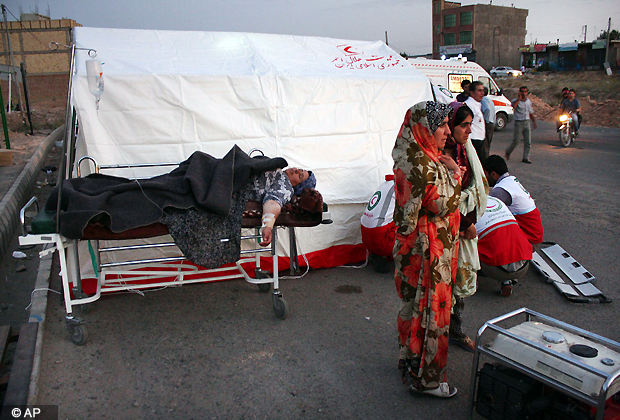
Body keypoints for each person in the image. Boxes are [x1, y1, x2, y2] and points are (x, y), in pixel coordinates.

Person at [393, 101, 462, 398]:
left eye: (448, 124)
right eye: (442, 125)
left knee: (413, 307)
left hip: (415, 247)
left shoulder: (412, 152)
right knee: (432, 313)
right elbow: (443, 203)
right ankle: (427, 379)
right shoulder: (423, 164)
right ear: (425, 128)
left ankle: (409, 361)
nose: (447, 131)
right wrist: (455, 174)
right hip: (428, 252)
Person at [443, 102, 488, 353]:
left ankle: (456, 330)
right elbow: (442, 198)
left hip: (464, 222)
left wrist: (468, 222)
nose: (469, 130)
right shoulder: (442, 154)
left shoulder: (464, 151)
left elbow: (475, 188)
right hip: (449, 227)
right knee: (443, 282)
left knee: (459, 280)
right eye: (463, 125)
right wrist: (465, 224)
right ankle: (438, 332)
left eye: (470, 124)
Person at [476, 196, 533, 297]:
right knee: (507, 242)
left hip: (494, 269)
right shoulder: (498, 201)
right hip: (524, 264)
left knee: (466, 242)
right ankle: (507, 282)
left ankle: (471, 281)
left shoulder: (468, 206)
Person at [482, 155, 543, 247]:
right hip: (535, 234)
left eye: (486, 174)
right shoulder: (510, 180)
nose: (485, 178)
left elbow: (484, 211)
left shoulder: (501, 190)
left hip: (529, 239)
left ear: (493, 174)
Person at [249, 167, 316, 245]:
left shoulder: (286, 187)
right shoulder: (279, 170)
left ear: (298, 186)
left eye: (299, 176)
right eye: (299, 169)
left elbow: (273, 202)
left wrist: (267, 226)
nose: (296, 170)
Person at [361, 175, 396, 273]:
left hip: (366, 239)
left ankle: (379, 255)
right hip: (381, 241)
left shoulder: (386, 183)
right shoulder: (403, 186)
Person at [506, 86, 537, 164]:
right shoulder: (515, 100)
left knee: (528, 141)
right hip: (519, 122)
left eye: (525, 91)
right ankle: (508, 152)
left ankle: (526, 157)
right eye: (522, 91)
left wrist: (534, 121)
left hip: (526, 122)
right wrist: (519, 98)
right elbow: (514, 106)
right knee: (516, 141)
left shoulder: (528, 101)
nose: (524, 93)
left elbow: (530, 112)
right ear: (519, 92)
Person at [465, 81, 487, 162]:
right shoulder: (469, 105)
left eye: (483, 90)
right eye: (479, 91)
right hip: (474, 140)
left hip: (480, 140)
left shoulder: (477, 104)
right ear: (472, 92)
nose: (482, 93)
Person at [481, 87, 496, 159]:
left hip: (487, 122)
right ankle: (487, 155)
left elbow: (487, 109)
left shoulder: (483, 100)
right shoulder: (490, 100)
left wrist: (485, 120)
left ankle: (485, 157)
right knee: (488, 140)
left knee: (485, 141)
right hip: (492, 122)